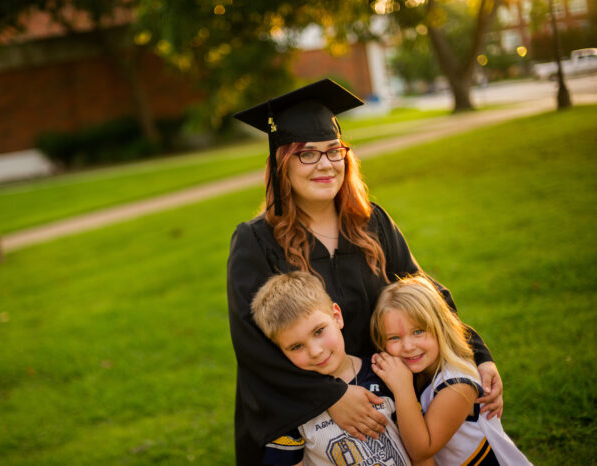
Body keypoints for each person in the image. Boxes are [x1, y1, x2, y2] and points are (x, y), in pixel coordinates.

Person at [227, 79, 503, 464]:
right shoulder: (257, 242)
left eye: (332, 151)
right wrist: (331, 398)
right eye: (307, 154)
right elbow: (251, 344)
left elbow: (422, 295)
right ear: (281, 165)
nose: (325, 164)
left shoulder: (371, 223)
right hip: (308, 423)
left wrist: (478, 354)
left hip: (386, 405)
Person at [250, 271, 416, 466]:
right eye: (296, 347)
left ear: (336, 316)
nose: (315, 351)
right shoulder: (290, 407)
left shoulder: (384, 373)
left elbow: (420, 450)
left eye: (319, 331)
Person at [370, 275, 532, 465]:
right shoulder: (418, 373)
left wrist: (402, 387)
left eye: (418, 332)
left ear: (441, 327)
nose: (408, 346)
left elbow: (422, 449)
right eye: (394, 338)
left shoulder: (458, 383)